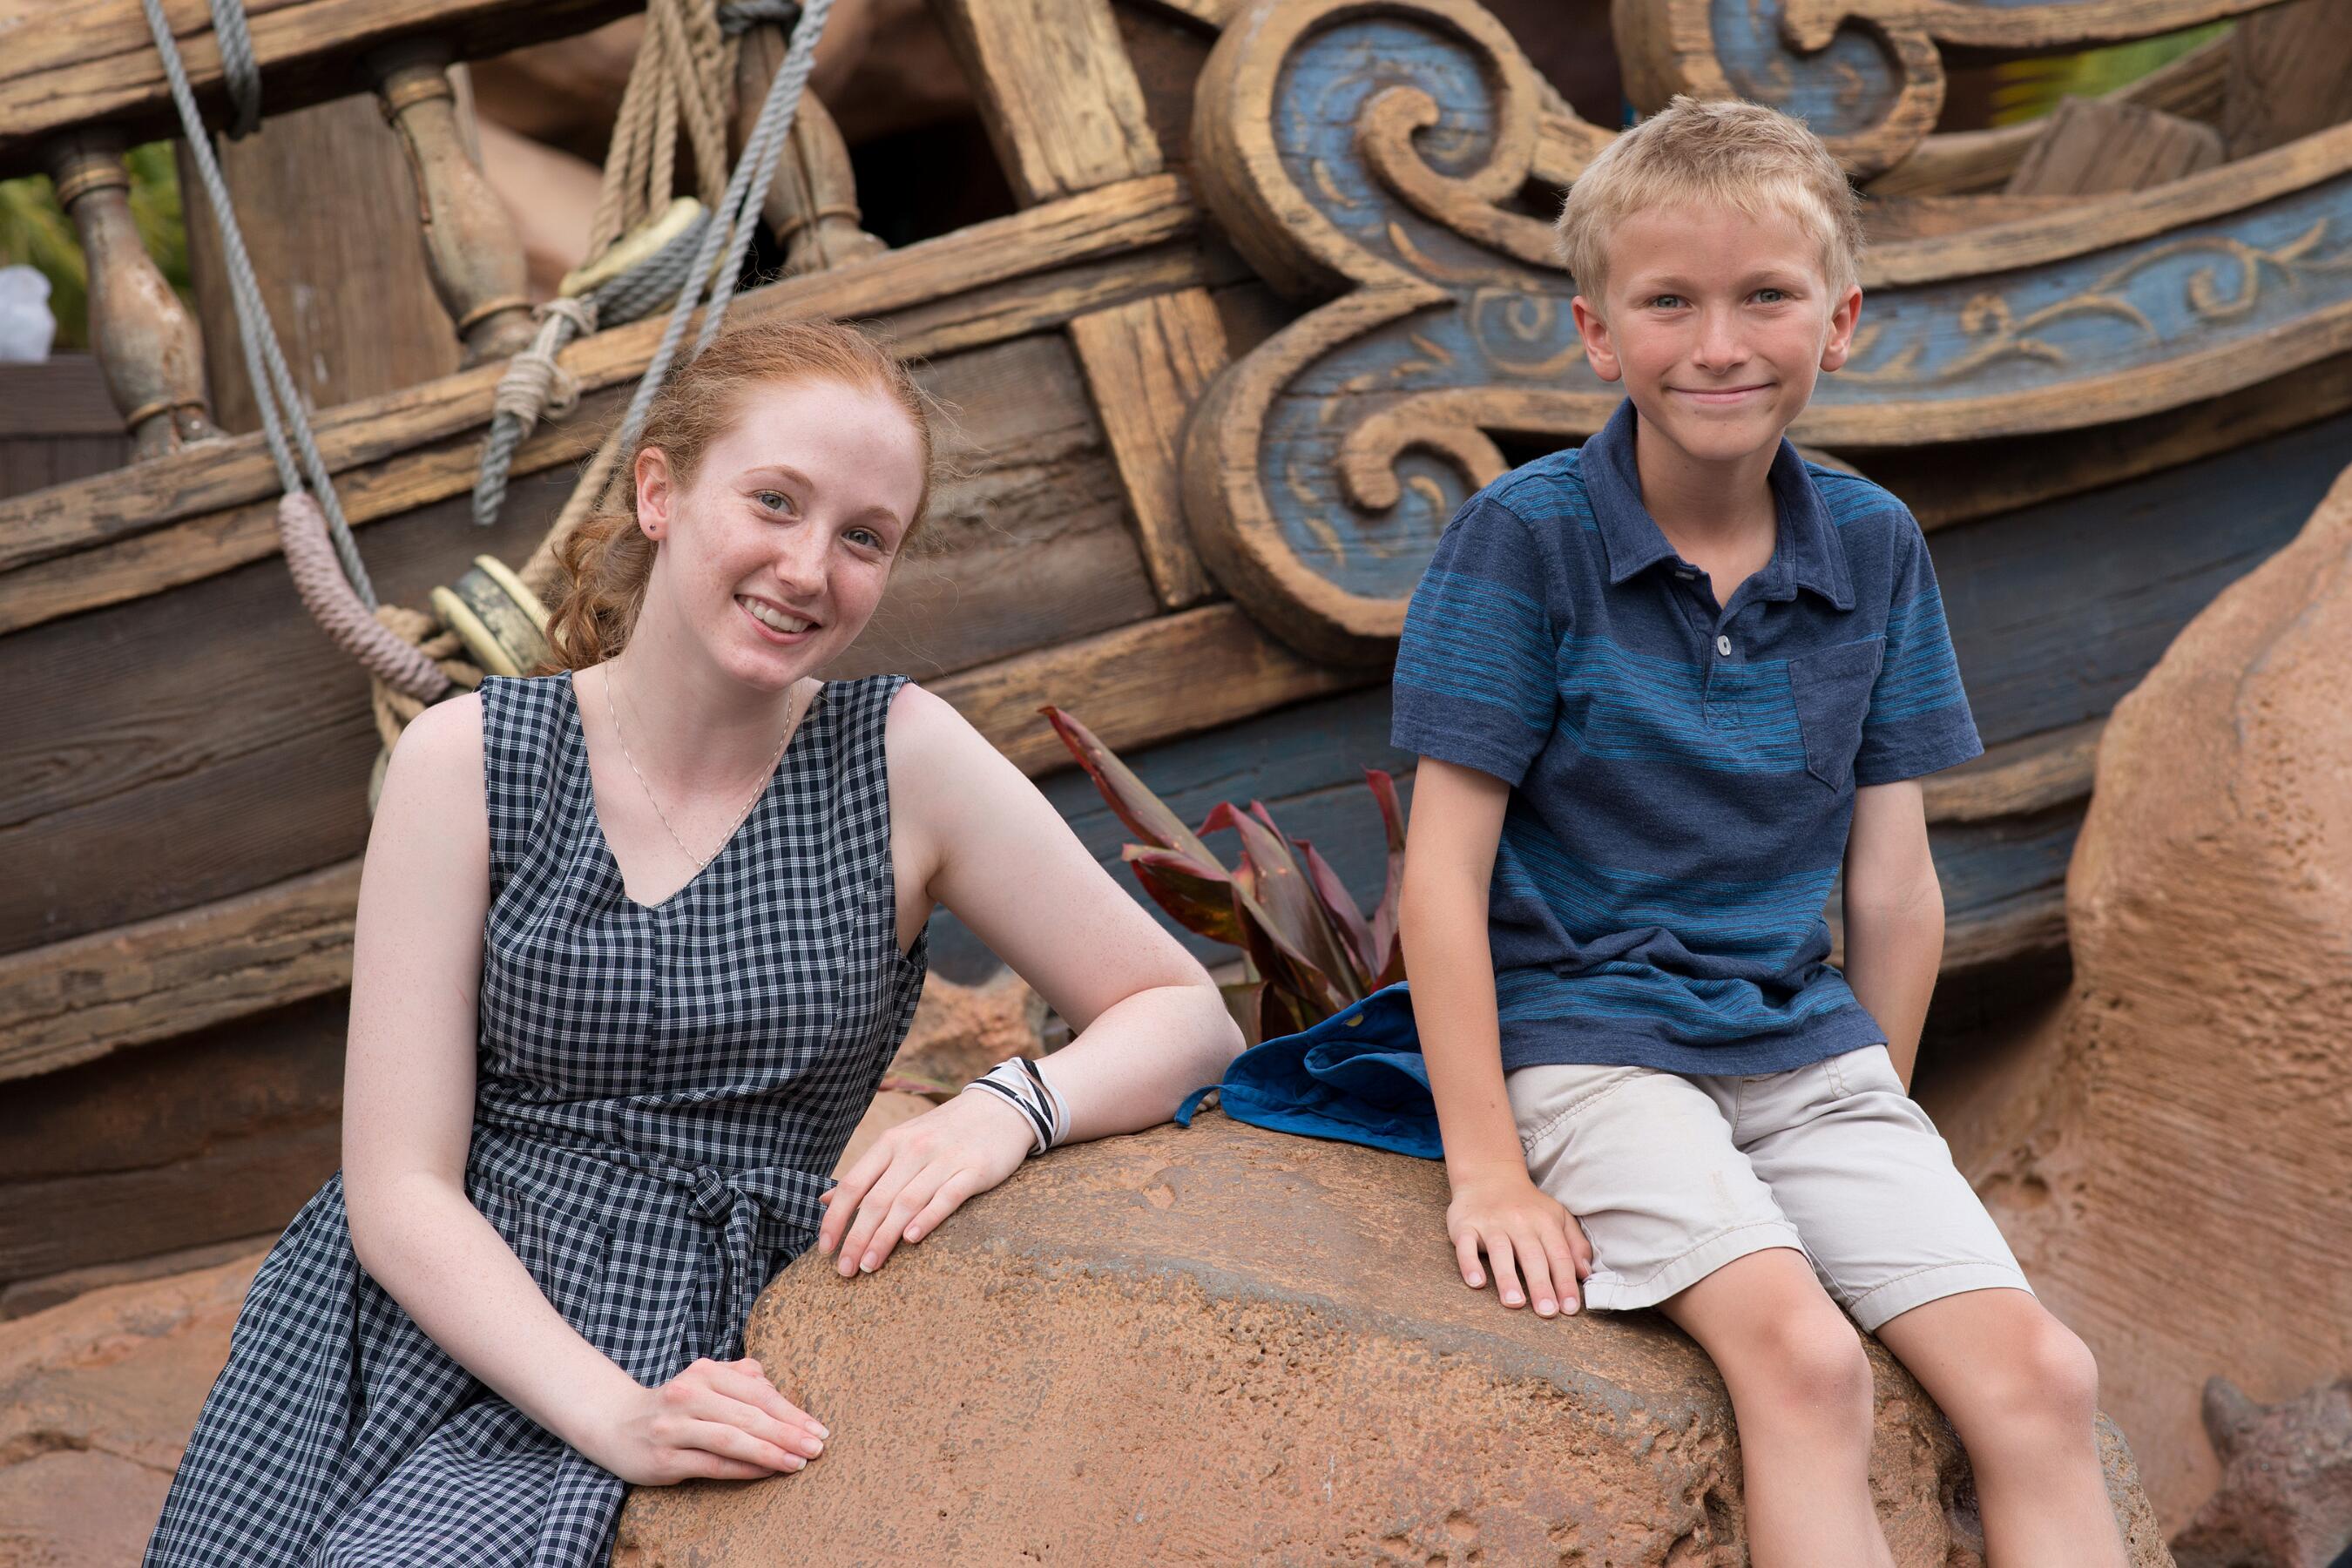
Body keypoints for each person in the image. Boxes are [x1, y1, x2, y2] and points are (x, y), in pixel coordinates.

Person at [145, 317, 1242, 1566]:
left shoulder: (903, 759)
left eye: (864, 537)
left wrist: (1007, 1110)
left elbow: (1185, 1014)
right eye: (774, 502)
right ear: (658, 492)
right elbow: (398, 1189)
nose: (808, 568)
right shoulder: (467, 763)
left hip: (713, 1331)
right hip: (420, 1337)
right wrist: (610, 1412)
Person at [1391, 98, 2127, 1565]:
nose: (1718, 345)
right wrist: (1489, 1168)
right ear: (1598, 333)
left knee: (2046, 1379)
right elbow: (1441, 878)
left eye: (1766, 297)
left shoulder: (1872, 544)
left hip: (1806, 1053)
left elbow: (1896, 888)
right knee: (1807, 1360)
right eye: (1668, 302)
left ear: (1838, 321)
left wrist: (1878, 1123)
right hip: (1595, 1043)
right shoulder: (1525, 539)